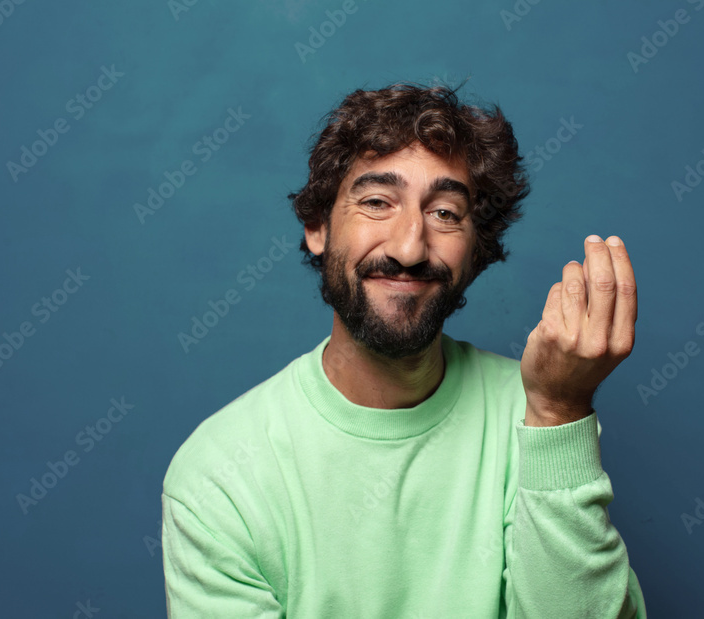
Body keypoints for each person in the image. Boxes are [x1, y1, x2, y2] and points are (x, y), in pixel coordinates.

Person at [161, 80, 646, 618]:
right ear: (318, 226)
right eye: (376, 202)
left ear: (476, 250)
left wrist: (558, 412)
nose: (410, 247)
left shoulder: (538, 413)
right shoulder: (220, 475)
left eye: (445, 213)